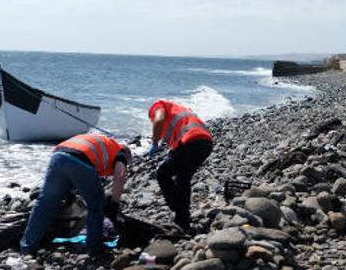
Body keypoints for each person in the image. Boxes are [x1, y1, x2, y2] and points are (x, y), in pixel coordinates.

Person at [19, 133, 131, 257]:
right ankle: (94, 249)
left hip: (58, 156)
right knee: (96, 205)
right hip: (81, 160)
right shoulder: (120, 153)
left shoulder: (103, 143)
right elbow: (120, 176)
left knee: (45, 204)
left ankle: (27, 247)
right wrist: (114, 204)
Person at [147, 100, 213, 232]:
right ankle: (183, 221)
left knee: (162, 173)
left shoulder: (158, 105)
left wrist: (154, 143)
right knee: (183, 179)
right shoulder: (180, 109)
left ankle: (178, 209)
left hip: (190, 142)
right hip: (206, 144)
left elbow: (159, 120)